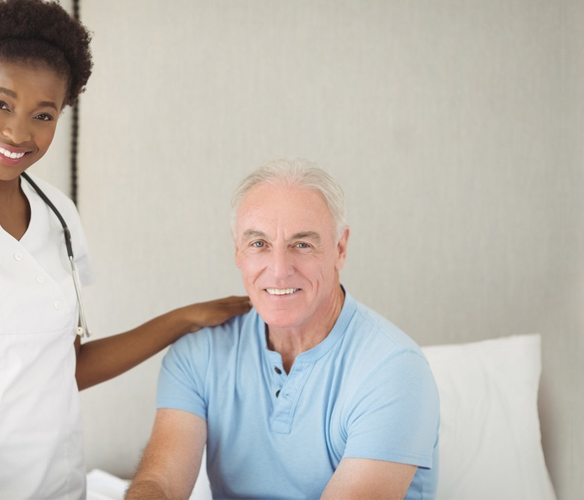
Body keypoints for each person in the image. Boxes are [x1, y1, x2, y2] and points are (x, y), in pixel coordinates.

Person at [0, 1, 249, 498]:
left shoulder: (60, 216)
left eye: (42, 114)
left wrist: (184, 319)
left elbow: (64, 367)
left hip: (52, 484)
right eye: (0, 103)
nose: (18, 132)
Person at [125, 160, 442, 500]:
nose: (278, 271)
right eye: (259, 244)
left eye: (302, 244)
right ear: (237, 249)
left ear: (340, 249)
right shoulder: (198, 352)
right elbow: (160, 483)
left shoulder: (393, 369)